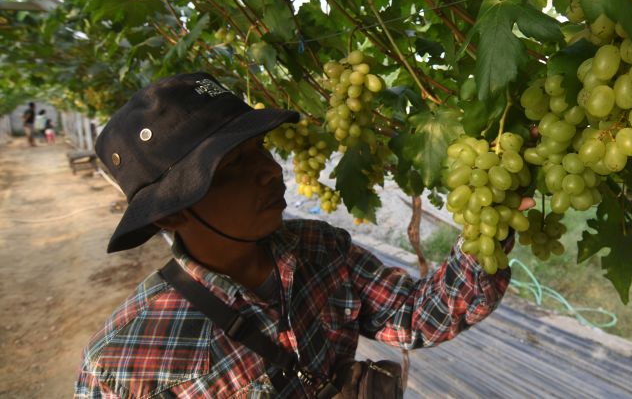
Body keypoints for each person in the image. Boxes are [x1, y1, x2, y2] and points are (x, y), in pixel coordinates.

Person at [75, 72, 518, 398]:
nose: (269, 171)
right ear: (169, 216)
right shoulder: (121, 364)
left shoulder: (320, 249)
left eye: (260, 149)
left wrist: (489, 229)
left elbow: (417, 316)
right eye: (231, 168)